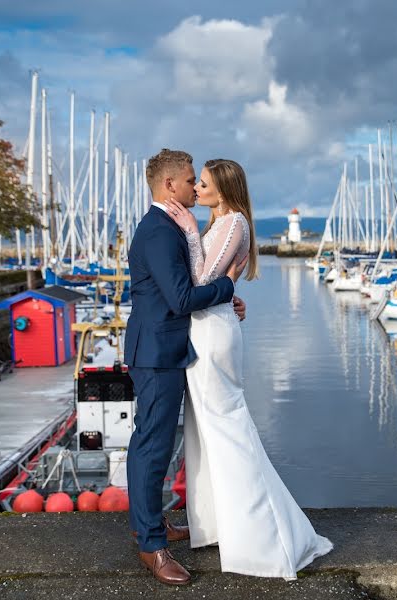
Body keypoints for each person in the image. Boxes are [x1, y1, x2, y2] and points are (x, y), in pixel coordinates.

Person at [164, 158, 332, 581]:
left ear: (223, 189)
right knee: (204, 431)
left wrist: (186, 232)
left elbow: (202, 282)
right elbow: (214, 284)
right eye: (196, 182)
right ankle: (220, 525)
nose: (196, 189)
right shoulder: (218, 224)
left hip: (213, 335)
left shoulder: (233, 222)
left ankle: (263, 537)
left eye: (203, 183)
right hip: (207, 328)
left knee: (227, 429)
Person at [124, 149, 248, 586]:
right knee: (152, 447)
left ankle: (154, 526)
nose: (195, 186)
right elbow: (180, 298)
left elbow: (185, 289)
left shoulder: (167, 226)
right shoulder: (159, 232)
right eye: (190, 179)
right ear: (169, 185)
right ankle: (151, 546)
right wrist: (227, 284)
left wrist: (223, 296)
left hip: (167, 349)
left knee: (156, 444)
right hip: (157, 353)